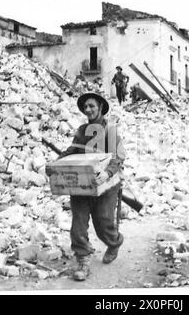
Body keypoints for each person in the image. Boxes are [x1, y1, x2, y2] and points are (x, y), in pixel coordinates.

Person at [57, 92, 125, 281]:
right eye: (85, 107)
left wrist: (107, 173)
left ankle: (114, 242)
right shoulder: (81, 130)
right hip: (81, 183)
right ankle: (83, 260)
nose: (88, 110)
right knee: (78, 223)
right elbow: (72, 151)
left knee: (103, 222)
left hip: (106, 183)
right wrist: (56, 164)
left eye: (92, 106)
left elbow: (118, 157)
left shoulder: (110, 130)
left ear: (101, 107)